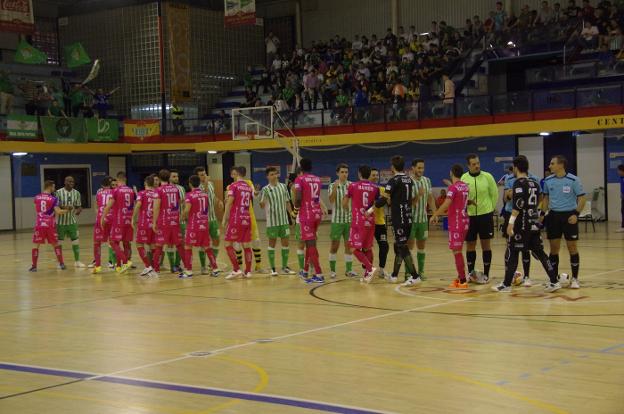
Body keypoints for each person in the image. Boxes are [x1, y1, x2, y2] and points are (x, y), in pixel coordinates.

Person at [492, 156, 562, 293]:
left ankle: (506, 284)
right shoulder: (535, 183)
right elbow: (540, 198)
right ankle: (554, 281)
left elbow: (517, 205)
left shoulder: (518, 183)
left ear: (516, 167)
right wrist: (532, 210)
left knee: (513, 252)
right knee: (540, 253)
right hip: (533, 222)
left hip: (521, 224)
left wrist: (510, 223)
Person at [373, 155, 421, 285]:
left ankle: (415, 276)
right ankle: (394, 275)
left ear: (392, 167)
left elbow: (383, 199)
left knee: (402, 246)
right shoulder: (409, 180)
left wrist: (370, 210)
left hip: (398, 218)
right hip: (408, 216)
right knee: (399, 246)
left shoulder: (393, 181)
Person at [542, 155, 586, 289]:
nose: (549, 166)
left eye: (552, 163)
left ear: (560, 165)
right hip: (554, 216)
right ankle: (553, 279)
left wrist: (576, 214)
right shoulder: (548, 181)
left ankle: (575, 279)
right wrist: (542, 214)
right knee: (554, 248)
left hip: (569, 216)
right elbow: (545, 199)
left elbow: (582, 198)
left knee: (572, 247)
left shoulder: (573, 180)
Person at [502, 158, 541, 286]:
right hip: (511, 213)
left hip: (525, 216)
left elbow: (538, 197)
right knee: (510, 246)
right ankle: (509, 276)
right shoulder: (509, 179)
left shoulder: (534, 179)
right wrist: (511, 193)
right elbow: (506, 198)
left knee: (526, 248)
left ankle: (527, 276)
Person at [430, 164, 470, 288]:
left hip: (456, 222)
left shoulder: (453, 188)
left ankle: (462, 279)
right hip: (465, 221)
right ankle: (461, 276)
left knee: (457, 251)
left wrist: (435, 214)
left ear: (451, 173)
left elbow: (447, 203)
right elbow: (458, 194)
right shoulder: (465, 186)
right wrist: (450, 184)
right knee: (459, 250)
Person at [461, 154, 498, 284]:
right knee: (470, 244)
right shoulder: (463, 178)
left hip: (485, 215)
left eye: (478, 163)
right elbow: (460, 197)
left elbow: (494, 194)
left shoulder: (488, 177)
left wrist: (490, 209)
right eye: (473, 164)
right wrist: (466, 204)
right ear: (468, 165)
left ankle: (486, 274)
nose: (477, 166)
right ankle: (471, 274)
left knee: (485, 244)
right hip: (470, 216)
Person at [259, 167, 296, 276]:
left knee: (285, 243)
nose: (274, 176)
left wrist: (292, 213)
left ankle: (285, 267)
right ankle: (273, 268)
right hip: (272, 222)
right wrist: (261, 200)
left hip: (283, 221)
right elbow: (261, 205)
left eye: (275, 174)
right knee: (272, 244)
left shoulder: (283, 187)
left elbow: (287, 203)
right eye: (271, 174)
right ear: (267, 176)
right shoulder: (265, 189)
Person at [293, 158, 325, 283]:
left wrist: (295, 210)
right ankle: (305, 271)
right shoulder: (317, 179)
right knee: (309, 242)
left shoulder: (299, 179)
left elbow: (299, 198)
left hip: (307, 215)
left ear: (301, 167)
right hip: (317, 213)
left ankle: (319, 273)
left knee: (310, 244)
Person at [346, 165, 379, 283]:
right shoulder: (375, 188)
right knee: (367, 247)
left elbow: (345, 203)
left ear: (359, 173)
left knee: (352, 248)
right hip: (370, 220)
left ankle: (370, 268)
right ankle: (367, 275)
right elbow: (378, 203)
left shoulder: (353, 186)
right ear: (369, 174)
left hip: (358, 221)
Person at [180, 175, 219, 278]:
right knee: (207, 247)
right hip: (204, 224)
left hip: (193, 225)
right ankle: (215, 269)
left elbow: (187, 209)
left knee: (188, 246)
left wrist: (183, 216)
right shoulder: (205, 195)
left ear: (190, 183)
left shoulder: (189, 195)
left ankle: (188, 271)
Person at [152, 169, 186, 277]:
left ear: (160, 178)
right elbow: (180, 202)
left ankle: (156, 270)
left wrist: (154, 222)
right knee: (179, 245)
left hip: (164, 221)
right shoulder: (175, 189)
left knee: (159, 245)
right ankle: (188, 268)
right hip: (174, 220)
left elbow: (156, 207)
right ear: (169, 177)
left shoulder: (159, 190)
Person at [223, 166, 254, 279]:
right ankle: (248, 271)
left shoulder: (233, 186)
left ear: (236, 174)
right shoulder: (248, 187)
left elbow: (230, 202)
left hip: (236, 218)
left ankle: (236, 269)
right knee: (246, 245)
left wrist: (224, 218)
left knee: (227, 243)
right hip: (247, 217)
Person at [30, 181, 68, 271]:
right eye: (53, 187)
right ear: (50, 187)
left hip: (39, 224)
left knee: (36, 245)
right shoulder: (53, 199)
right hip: (50, 224)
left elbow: (37, 209)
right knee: (55, 244)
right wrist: (67, 210)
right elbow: (58, 212)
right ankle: (61, 264)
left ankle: (34, 267)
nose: (54, 189)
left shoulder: (37, 197)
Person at [102, 171, 135, 273]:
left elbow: (109, 205)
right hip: (128, 220)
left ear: (117, 179)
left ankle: (125, 262)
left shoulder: (116, 190)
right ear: (125, 179)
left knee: (113, 242)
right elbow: (132, 206)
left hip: (119, 220)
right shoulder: (131, 191)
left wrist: (102, 217)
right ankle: (119, 266)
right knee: (126, 242)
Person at [409, 159, 436, 279]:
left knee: (421, 247)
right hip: (410, 220)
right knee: (409, 248)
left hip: (423, 220)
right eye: (418, 168)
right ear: (413, 168)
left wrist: (435, 213)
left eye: (422, 168)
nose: (421, 170)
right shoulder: (408, 182)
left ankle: (421, 272)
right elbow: (406, 203)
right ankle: (408, 273)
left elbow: (430, 198)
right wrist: (418, 195)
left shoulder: (427, 181)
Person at [328, 163, 357, 278]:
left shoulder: (352, 185)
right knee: (334, 245)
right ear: (337, 173)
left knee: (349, 246)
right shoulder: (332, 185)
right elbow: (331, 200)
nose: (344, 174)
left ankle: (349, 270)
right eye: (342, 172)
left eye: (346, 172)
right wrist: (335, 188)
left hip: (349, 220)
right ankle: (332, 271)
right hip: (337, 220)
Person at [195, 167, 223, 274]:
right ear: (197, 177)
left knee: (216, 240)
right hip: (202, 220)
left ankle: (212, 263)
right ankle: (203, 267)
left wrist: (218, 201)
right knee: (203, 244)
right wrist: (206, 182)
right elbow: (204, 194)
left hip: (213, 218)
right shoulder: (197, 187)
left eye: (205, 173)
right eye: (201, 175)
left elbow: (212, 196)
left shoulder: (211, 184)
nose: (204, 176)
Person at [55, 176, 85, 268]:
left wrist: (79, 210)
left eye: (73, 181)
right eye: (69, 181)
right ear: (65, 182)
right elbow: (56, 205)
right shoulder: (58, 192)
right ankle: (60, 262)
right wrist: (65, 207)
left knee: (75, 241)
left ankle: (77, 261)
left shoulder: (77, 193)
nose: (71, 183)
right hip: (60, 222)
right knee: (59, 243)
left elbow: (79, 205)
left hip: (72, 221)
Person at [132, 174, 158, 276]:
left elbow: (138, 205)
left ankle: (148, 266)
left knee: (139, 243)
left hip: (144, 223)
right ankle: (155, 268)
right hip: (154, 223)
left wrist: (133, 218)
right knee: (153, 246)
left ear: (145, 183)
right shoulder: (156, 193)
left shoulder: (142, 193)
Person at [92, 176, 114, 274]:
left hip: (101, 218)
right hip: (111, 218)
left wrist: (99, 216)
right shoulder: (114, 192)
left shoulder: (99, 193)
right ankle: (114, 263)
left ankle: (98, 265)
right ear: (110, 184)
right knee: (113, 241)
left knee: (97, 242)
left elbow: (96, 206)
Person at [370, 168, 390, 278]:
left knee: (384, 246)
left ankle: (381, 270)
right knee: (366, 247)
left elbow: (389, 202)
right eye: (373, 175)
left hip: (380, 223)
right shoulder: (366, 189)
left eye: (376, 175)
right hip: (368, 223)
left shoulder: (382, 189)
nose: (375, 177)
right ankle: (367, 270)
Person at [170, 170, 186, 273]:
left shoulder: (182, 189)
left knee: (181, 243)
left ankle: (177, 264)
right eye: (174, 176)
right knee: (170, 244)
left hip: (181, 221)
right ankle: (172, 265)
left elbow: (184, 204)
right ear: (169, 178)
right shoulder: (166, 188)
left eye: (177, 176)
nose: (176, 178)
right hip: (170, 221)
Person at [617, 164, 624, 233]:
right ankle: (623, 226)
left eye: (619, 170)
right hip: (623, 197)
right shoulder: (621, 177)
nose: (618, 172)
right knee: (622, 211)